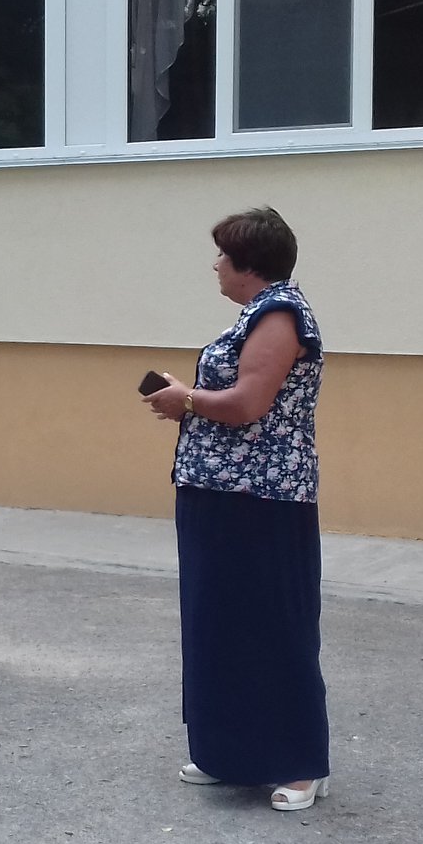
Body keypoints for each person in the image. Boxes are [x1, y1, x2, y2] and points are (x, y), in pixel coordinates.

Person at [142, 206, 329, 812]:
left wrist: (186, 400)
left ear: (249, 263)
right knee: (218, 623)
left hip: (263, 498)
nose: (216, 264)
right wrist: (188, 397)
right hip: (218, 491)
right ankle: (228, 754)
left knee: (273, 626)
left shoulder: (280, 315)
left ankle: (300, 764)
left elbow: (249, 403)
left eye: (223, 254)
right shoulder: (255, 315)